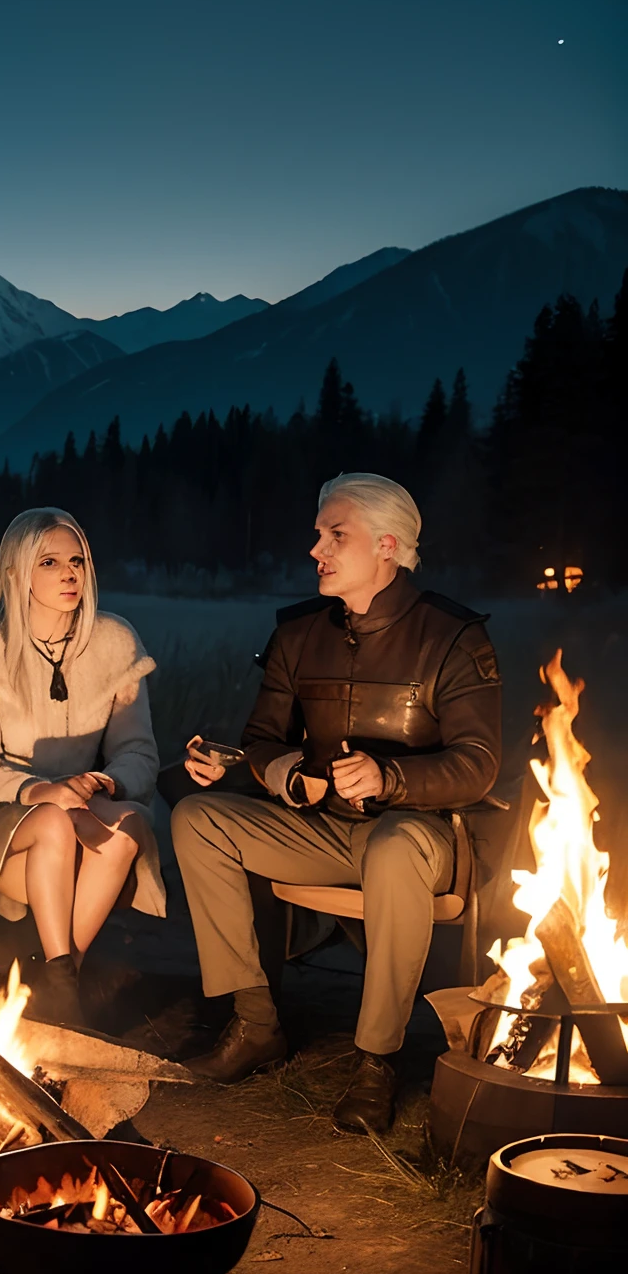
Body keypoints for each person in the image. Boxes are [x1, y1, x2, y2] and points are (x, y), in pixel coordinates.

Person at [172, 472, 502, 1133]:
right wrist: (286, 773)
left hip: (421, 837)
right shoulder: (299, 634)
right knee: (197, 819)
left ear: (386, 545)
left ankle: (376, 1062)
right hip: (325, 832)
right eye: (319, 533)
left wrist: (388, 779)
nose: (315, 548)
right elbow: (262, 740)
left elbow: (479, 764)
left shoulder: (452, 636)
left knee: (394, 845)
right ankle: (256, 1024)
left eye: (334, 534)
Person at [0, 509, 164, 1027]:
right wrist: (41, 790)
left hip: (84, 804)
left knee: (128, 828)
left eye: (77, 560)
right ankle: (60, 989)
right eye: (50, 561)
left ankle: (59, 979)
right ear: (17, 572)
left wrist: (105, 780)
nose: (70, 573)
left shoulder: (116, 642)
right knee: (55, 823)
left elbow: (140, 751)